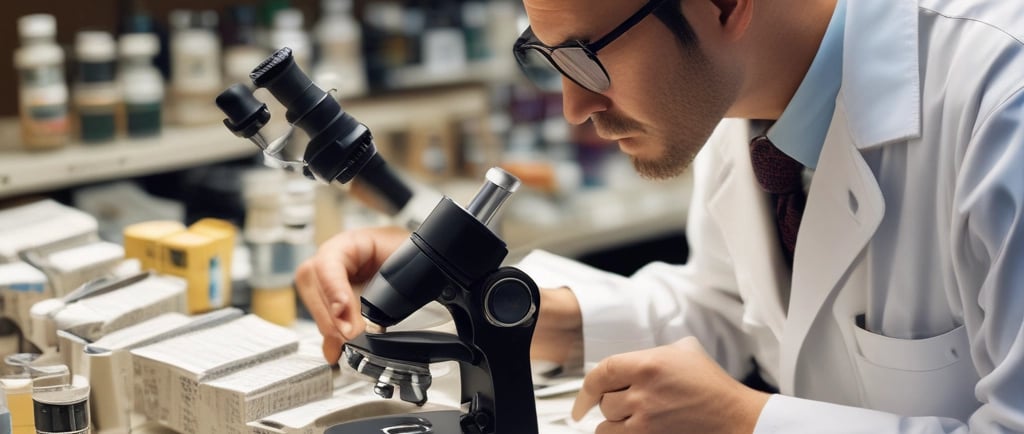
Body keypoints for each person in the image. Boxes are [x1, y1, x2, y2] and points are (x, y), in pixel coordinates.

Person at [295, 0, 1024, 432]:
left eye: (585, 56)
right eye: (544, 56)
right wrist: (489, 306)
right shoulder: (733, 97)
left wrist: (749, 422)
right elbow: (730, 309)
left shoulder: (1001, 105)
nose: (574, 107)